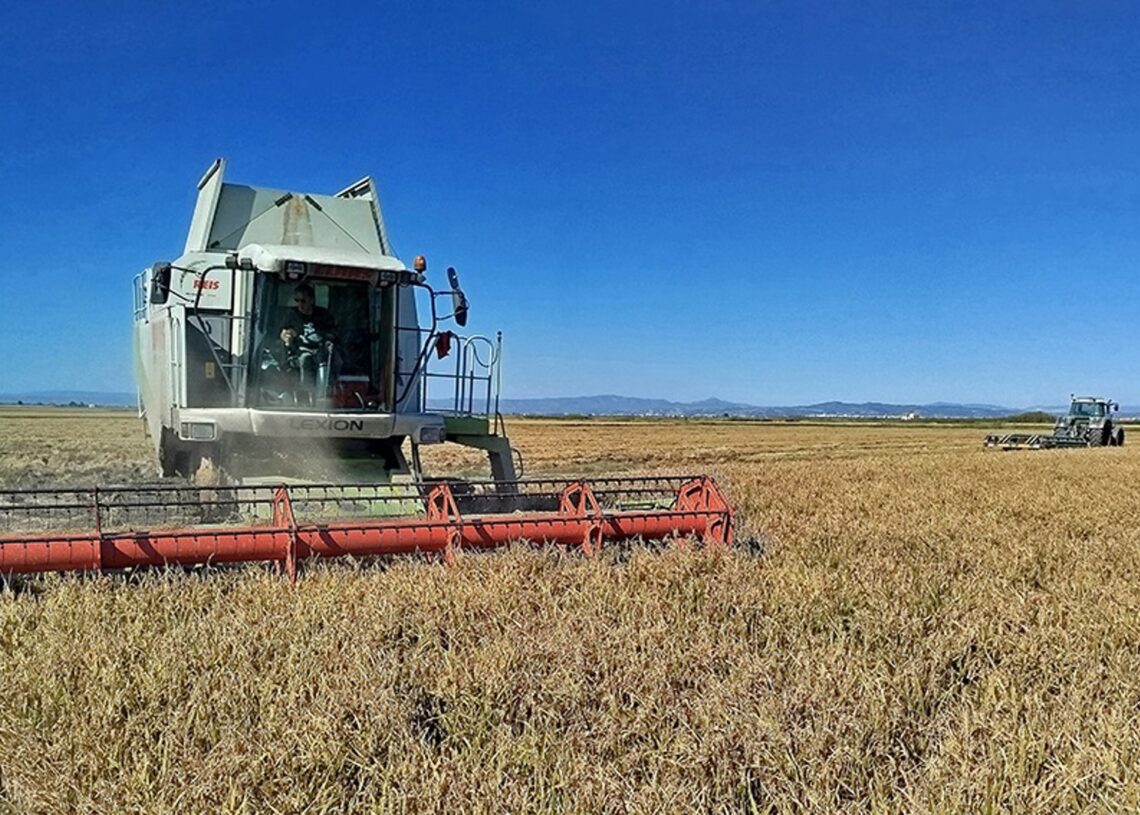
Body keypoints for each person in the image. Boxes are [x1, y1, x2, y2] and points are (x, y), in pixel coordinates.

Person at [278, 283, 337, 395]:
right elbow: (283, 332)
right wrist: (286, 337)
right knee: (306, 360)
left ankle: (327, 392)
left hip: (321, 350)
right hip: (300, 351)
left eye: (303, 301)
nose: (300, 304)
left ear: (312, 300)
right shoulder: (291, 315)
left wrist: (327, 338)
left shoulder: (323, 314)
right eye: (297, 300)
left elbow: (333, 332)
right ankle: (306, 394)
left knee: (334, 360)